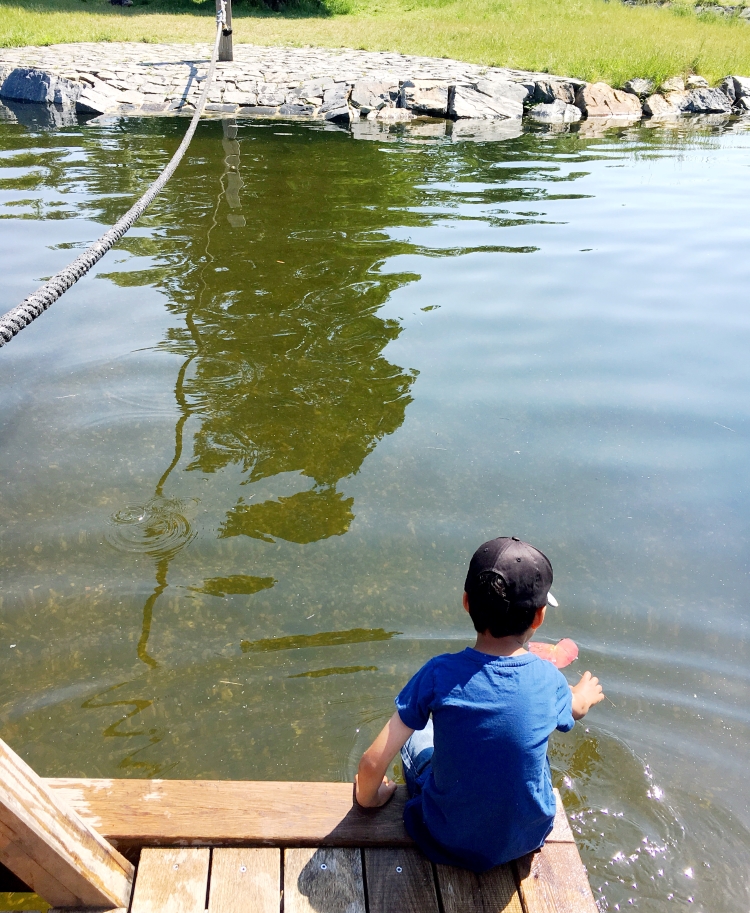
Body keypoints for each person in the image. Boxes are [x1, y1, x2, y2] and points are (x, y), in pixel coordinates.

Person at [354, 535, 604, 872]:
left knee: (416, 733)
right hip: (525, 839)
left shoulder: (438, 673)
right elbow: (575, 709)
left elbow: (371, 764)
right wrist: (584, 695)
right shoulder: (548, 679)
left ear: (466, 602)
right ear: (539, 617)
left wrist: (371, 799)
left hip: (443, 838)